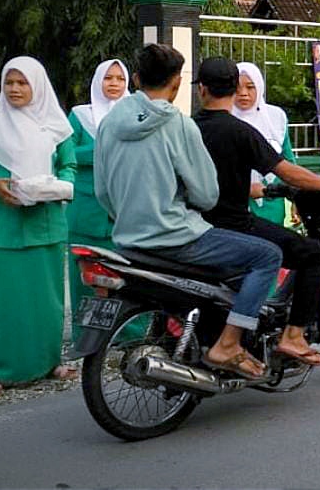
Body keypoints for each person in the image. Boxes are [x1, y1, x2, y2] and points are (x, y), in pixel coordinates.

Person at [94, 44, 280, 380]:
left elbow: (102, 191)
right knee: (266, 256)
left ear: (135, 79)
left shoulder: (108, 124)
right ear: (178, 83)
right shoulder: (180, 126)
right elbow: (207, 196)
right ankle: (229, 344)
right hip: (178, 238)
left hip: (127, 240)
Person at [193, 57, 320, 367]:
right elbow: (287, 170)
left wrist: (265, 190)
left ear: (202, 89)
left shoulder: (188, 128)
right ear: (232, 89)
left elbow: (224, 181)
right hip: (235, 224)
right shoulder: (241, 132)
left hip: (196, 224)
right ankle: (293, 335)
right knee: (312, 254)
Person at [0, 56, 78, 397]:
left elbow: (69, 166)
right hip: (1, 226)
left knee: (46, 299)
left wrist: (55, 186)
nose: (15, 89)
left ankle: (48, 361)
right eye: (9, 82)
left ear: (37, 85)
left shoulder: (56, 126)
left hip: (46, 223)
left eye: (22, 83)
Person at [65, 59, 128, 343]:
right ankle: (88, 337)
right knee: (86, 278)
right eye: (108, 78)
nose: (114, 84)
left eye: (119, 78)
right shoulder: (80, 116)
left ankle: (128, 335)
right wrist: (102, 147)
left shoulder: (134, 114)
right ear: (97, 81)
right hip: (86, 210)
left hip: (125, 212)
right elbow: (65, 154)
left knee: (129, 275)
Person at [233, 62, 297, 227]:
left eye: (250, 87)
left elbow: (287, 159)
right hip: (234, 204)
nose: (243, 94)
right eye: (237, 88)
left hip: (271, 201)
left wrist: (297, 196)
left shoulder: (276, 117)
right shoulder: (225, 119)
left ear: (260, 87)